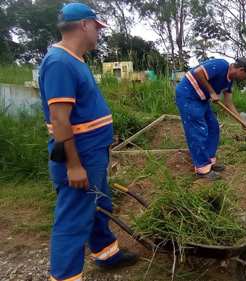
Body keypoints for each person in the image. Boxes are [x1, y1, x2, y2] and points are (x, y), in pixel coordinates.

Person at [39, 3, 138, 280]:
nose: (99, 33)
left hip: (93, 152)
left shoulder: (75, 59)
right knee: (73, 218)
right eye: (97, 27)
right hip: (79, 156)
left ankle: (106, 254)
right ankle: (65, 276)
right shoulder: (59, 62)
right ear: (84, 24)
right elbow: (60, 120)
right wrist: (73, 166)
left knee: (99, 205)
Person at [175, 57, 246, 180]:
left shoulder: (229, 82)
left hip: (202, 99)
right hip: (188, 95)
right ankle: (202, 169)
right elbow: (198, 72)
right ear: (241, 70)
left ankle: (209, 162)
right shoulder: (221, 65)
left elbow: (229, 103)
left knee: (213, 127)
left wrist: (243, 122)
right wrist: (212, 92)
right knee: (198, 129)